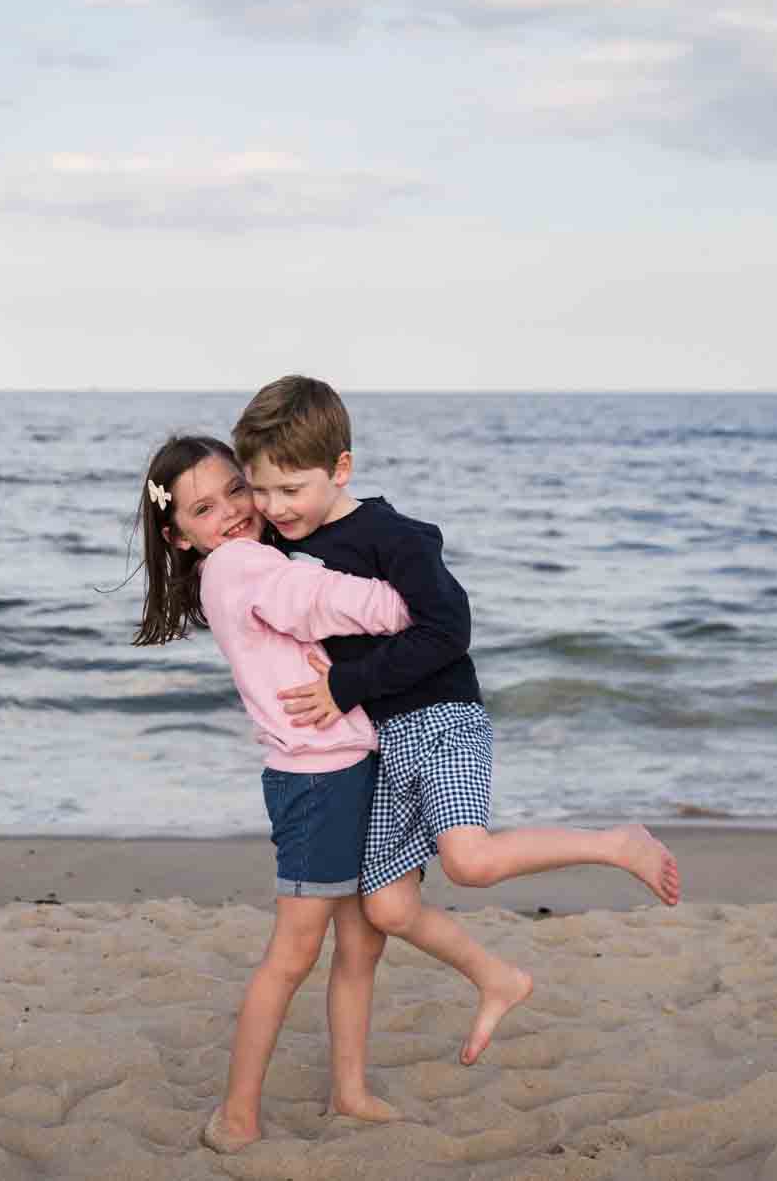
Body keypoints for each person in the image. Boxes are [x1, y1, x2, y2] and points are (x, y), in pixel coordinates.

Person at [233, 375, 682, 1066]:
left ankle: (616, 842)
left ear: (341, 468)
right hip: (379, 746)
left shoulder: (394, 536)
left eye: (291, 490)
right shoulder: (278, 542)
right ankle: (495, 977)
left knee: (468, 860)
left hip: (444, 719)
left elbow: (450, 628)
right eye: (260, 490)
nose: (274, 506)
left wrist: (349, 682)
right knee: (384, 910)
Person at [131, 434, 406, 1155]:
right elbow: (315, 601)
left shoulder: (249, 560)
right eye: (203, 507)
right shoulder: (240, 564)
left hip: (341, 764)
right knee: (293, 952)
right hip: (317, 780)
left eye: (234, 490)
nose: (229, 511)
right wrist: (403, 600)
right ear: (178, 534)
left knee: (362, 939)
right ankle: (239, 1116)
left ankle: (347, 1089)